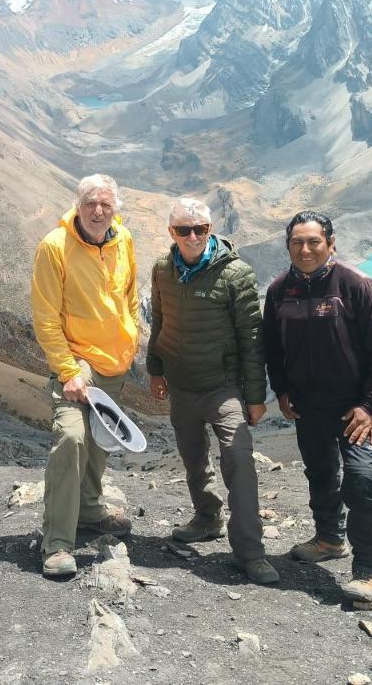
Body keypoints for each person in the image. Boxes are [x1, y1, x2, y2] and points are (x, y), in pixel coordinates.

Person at [262, 211, 372, 606]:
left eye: (313, 242)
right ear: (288, 246)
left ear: (330, 243)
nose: (305, 250)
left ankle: (370, 571)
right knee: (320, 473)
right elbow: (273, 347)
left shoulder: (356, 285)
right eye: (296, 243)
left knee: (362, 479)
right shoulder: (278, 291)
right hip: (307, 406)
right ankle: (329, 539)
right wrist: (282, 390)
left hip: (355, 409)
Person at [146, 197, 279, 585]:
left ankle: (250, 552)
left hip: (223, 388)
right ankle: (206, 518)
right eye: (183, 229)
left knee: (238, 459)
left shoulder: (236, 274)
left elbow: (252, 338)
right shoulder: (162, 269)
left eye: (200, 229)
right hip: (181, 385)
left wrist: (255, 397)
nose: (192, 236)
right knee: (192, 458)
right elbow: (159, 320)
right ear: (171, 232)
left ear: (211, 230)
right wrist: (155, 370)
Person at [31, 174, 140, 578]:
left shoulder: (122, 239)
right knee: (72, 437)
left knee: (100, 441)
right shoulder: (54, 248)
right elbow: (45, 317)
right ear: (78, 204)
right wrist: (68, 370)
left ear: (115, 208)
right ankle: (58, 542)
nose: (98, 211)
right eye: (91, 203)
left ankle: (89, 509)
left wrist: (133, 334)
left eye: (106, 204)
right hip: (78, 363)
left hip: (116, 361)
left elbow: (128, 291)